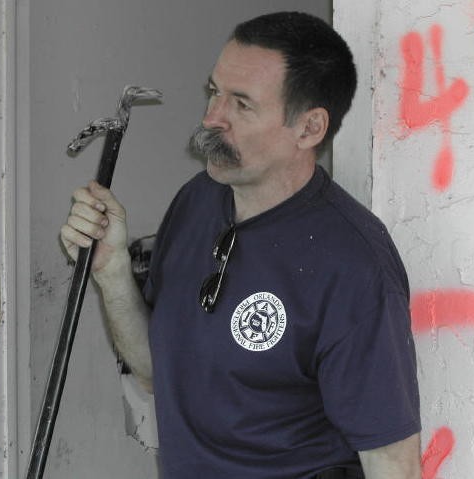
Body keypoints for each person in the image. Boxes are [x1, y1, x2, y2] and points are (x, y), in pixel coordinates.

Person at [61, 11, 421, 479]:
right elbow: (157, 372)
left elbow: (394, 463)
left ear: (309, 129)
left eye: (242, 104)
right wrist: (110, 273)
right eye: (214, 92)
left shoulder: (352, 265)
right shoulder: (197, 200)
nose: (211, 118)